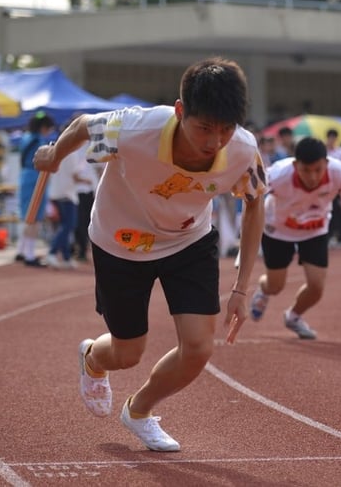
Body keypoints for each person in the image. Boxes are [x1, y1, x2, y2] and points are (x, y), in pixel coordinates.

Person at [32, 57, 267, 452]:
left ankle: (139, 411)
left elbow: (255, 203)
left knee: (199, 347)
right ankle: (93, 357)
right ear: (180, 112)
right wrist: (55, 156)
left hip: (188, 240)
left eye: (225, 129)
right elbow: (83, 126)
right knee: (127, 353)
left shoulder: (242, 150)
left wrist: (242, 289)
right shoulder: (135, 130)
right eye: (204, 128)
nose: (214, 141)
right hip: (121, 241)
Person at [249, 137, 341, 339]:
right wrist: (249, 237)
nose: (312, 177)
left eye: (318, 170)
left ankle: (293, 316)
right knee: (275, 286)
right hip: (278, 230)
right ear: (295, 165)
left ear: (326, 163)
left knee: (317, 287)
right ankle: (263, 290)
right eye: (305, 170)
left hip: (314, 229)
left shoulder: (339, 173)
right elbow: (252, 198)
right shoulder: (277, 175)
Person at [45, 131, 96, 270]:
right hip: (67, 194)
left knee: (65, 226)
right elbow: (74, 176)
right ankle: (52, 252)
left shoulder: (58, 150)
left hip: (57, 192)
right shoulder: (71, 153)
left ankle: (66, 257)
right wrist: (89, 181)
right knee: (68, 226)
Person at [16, 112, 57, 267]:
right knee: (34, 216)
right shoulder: (39, 140)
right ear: (43, 127)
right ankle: (29, 254)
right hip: (36, 177)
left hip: (25, 176)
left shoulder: (25, 138)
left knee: (27, 215)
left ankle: (22, 250)